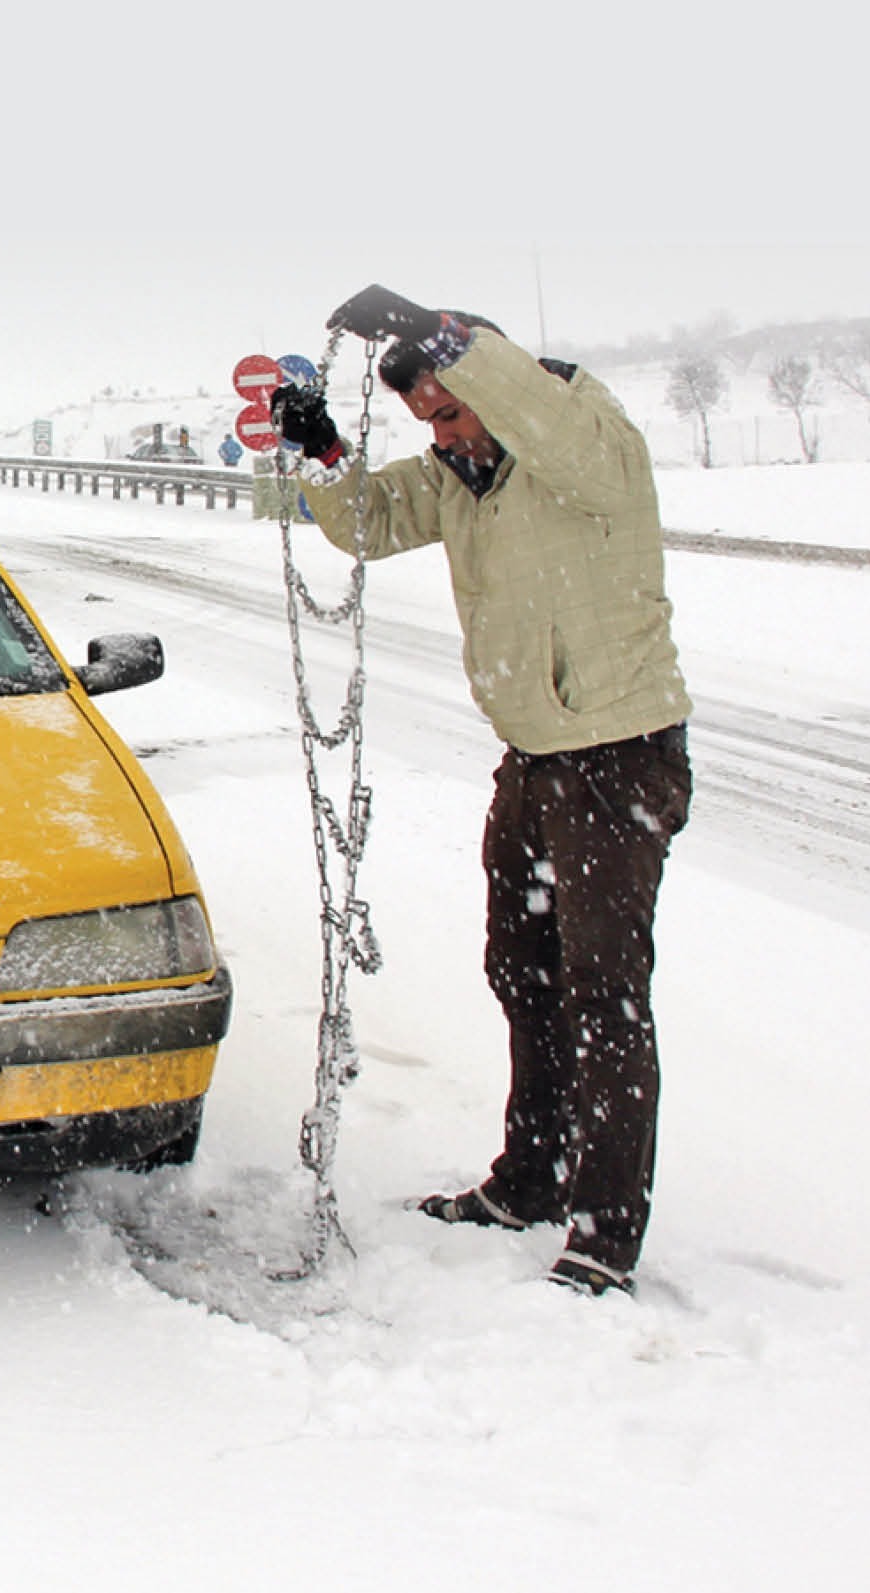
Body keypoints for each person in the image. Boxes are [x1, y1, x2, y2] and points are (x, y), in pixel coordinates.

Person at [271, 284, 693, 1297]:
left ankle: (603, 1231)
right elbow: (365, 524)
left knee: (601, 998)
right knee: (522, 970)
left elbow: (538, 411)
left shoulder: (589, 447)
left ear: (489, 378)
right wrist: (323, 451)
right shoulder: (461, 475)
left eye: (452, 409)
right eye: (428, 420)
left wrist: (448, 338)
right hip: (537, 759)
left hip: (617, 756)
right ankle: (531, 1180)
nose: (445, 435)